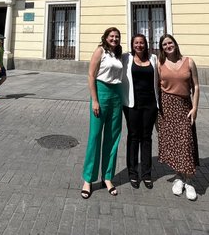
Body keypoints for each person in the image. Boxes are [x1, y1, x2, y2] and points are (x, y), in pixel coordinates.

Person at [156, 33, 200, 201]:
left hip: (184, 106)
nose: (168, 46)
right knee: (174, 143)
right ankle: (179, 177)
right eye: (165, 44)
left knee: (186, 142)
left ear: (175, 44)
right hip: (166, 106)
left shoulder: (188, 62)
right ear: (162, 48)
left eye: (170, 42)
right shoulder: (160, 64)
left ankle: (189, 180)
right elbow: (156, 88)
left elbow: (196, 85)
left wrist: (195, 107)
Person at [80, 27, 123, 199]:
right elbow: (91, 75)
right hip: (101, 93)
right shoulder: (100, 51)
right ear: (105, 38)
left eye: (117, 36)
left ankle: (107, 177)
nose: (114, 39)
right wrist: (95, 100)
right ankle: (88, 179)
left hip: (116, 95)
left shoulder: (119, 54)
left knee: (113, 138)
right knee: (95, 137)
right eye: (111, 36)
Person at [121, 34, 159, 189]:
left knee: (147, 137)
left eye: (141, 43)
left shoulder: (154, 58)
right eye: (136, 43)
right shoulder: (126, 58)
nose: (139, 45)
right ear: (132, 45)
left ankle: (146, 174)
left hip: (150, 104)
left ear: (146, 44)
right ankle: (132, 173)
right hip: (132, 104)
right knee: (133, 137)